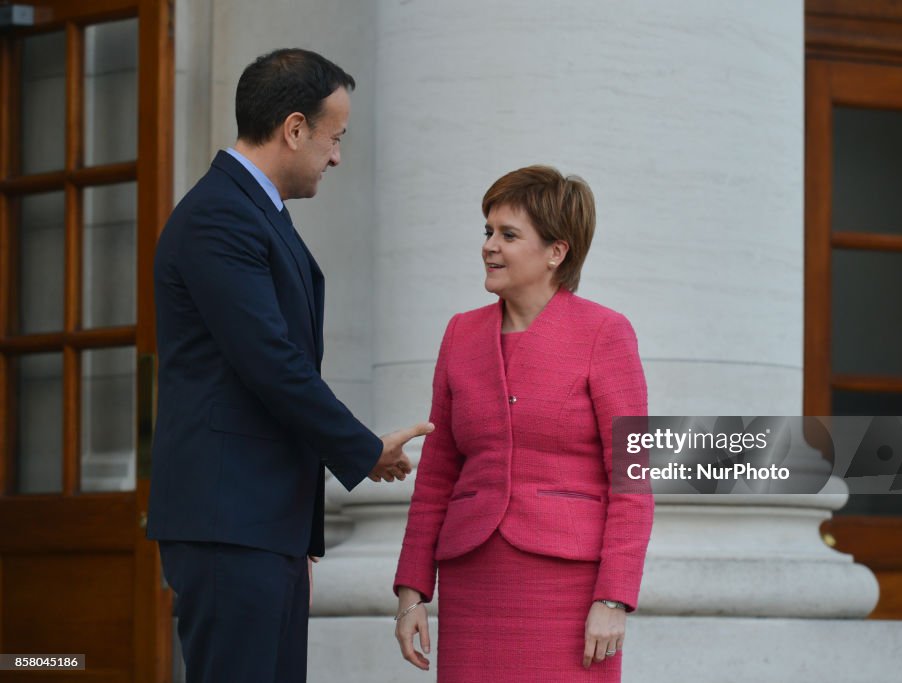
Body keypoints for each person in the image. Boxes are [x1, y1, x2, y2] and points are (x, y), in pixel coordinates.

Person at [146, 48, 430, 683]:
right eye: (335, 138)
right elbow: (270, 362)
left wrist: (294, 533)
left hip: (260, 525)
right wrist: (363, 449)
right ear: (295, 128)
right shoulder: (219, 216)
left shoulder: (255, 212)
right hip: (230, 525)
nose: (336, 157)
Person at [393, 165, 654, 681]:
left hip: (569, 590)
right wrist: (411, 593)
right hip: (474, 581)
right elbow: (438, 473)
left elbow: (632, 478)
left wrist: (614, 598)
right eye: (487, 231)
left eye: (508, 235)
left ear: (557, 252)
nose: (490, 246)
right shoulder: (460, 334)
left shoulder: (606, 332)